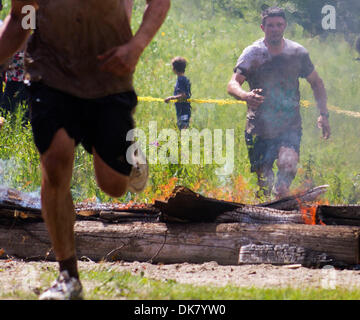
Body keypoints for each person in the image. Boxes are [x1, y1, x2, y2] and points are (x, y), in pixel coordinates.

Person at [0, 0, 170, 300]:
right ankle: (68, 276)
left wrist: (136, 46)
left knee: (114, 185)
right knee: (55, 161)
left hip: (107, 77)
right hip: (49, 75)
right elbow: (21, 19)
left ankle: (127, 157)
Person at [227, 7, 331, 199]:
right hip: (259, 126)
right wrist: (245, 96)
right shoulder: (253, 53)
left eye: (279, 25)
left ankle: (280, 204)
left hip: (288, 125)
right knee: (264, 184)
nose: (275, 29)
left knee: (287, 166)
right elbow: (232, 83)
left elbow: (316, 82)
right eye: (270, 25)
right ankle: (265, 216)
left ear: (285, 26)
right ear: (262, 27)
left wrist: (323, 114)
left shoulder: (297, 53)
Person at [164, 56, 192, 130]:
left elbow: (183, 95)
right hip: (183, 110)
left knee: (183, 132)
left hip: (183, 111)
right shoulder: (185, 79)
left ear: (175, 69)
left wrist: (171, 98)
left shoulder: (181, 80)